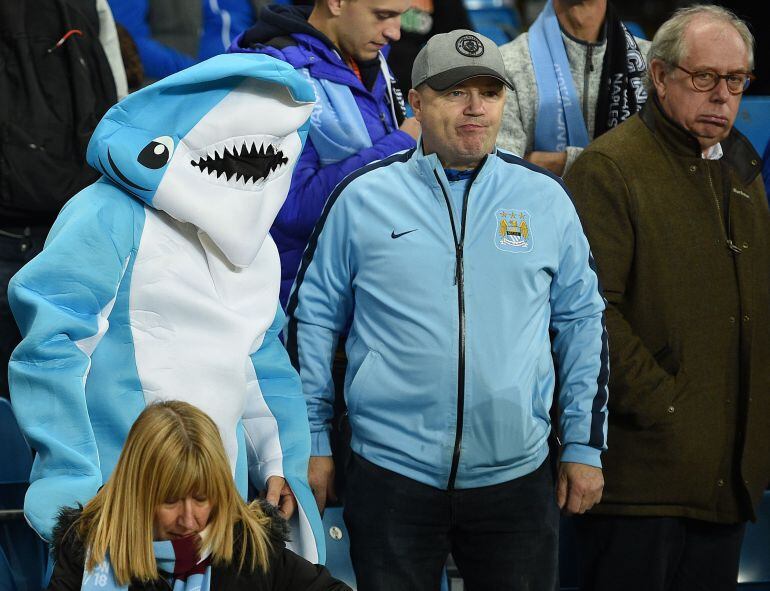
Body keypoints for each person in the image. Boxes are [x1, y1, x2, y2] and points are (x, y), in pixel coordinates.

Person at [287, 29, 609, 590]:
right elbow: (312, 322)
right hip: (390, 474)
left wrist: (583, 444)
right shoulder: (362, 198)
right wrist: (313, 443)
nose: (475, 108)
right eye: (455, 92)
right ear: (416, 103)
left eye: (489, 92)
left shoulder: (546, 200)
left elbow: (582, 323)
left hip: (517, 476)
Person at [8, 53, 323, 562]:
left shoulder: (254, 246)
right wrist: (70, 485)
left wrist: (278, 458)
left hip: (213, 506)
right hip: (118, 504)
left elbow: (261, 364)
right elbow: (50, 350)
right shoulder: (108, 215)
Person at [563, 6, 770, 590]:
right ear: (658, 76)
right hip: (641, 481)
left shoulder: (742, 168)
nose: (722, 96)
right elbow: (591, 315)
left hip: (724, 478)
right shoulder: (610, 169)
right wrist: (667, 407)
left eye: (736, 81)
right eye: (703, 78)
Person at [230, 0, 420, 307]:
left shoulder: (369, 58)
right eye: (383, 15)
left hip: (363, 293)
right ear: (336, 3)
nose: (395, 32)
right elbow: (290, 211)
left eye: (401, 16)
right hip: (297, 308)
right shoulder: (272, 76)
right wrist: (401, 144)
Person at [48, 400, 351, 591]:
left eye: (202, 499)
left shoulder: (247, 546)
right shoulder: (89, 551)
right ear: (137, 493)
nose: (189, 519)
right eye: (170, 500)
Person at [497, 0, 649, 176]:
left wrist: (557, 162)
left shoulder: (654, 62)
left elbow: (663, 162)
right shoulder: (506, 64)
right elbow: (502, 172)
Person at [108, 0, 264, 81]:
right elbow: (127, 41)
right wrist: (205, 74)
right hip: (178, 88)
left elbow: (282, 22)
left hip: (254, 79)